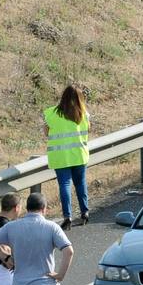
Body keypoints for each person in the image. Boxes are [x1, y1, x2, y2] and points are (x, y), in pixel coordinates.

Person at [43, 84, 91, 229]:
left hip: (60, 157)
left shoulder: (51, 113)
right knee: (80, 183)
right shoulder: (84, 114)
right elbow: (88, 130)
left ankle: (67, 216)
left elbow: (46, 133)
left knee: (64, 185)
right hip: (79, 155)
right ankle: (85, 212)